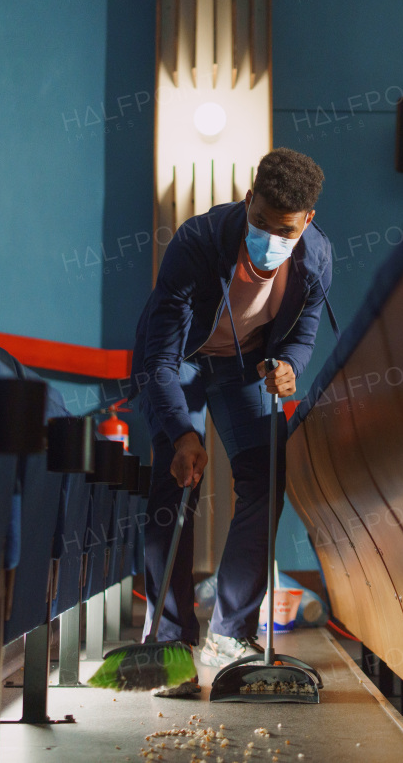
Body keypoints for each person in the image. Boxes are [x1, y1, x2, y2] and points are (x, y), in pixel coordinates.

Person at [126, 147, 337, 695]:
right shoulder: (197, 244)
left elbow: (303, 332)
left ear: (307, 221)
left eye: (284, 228)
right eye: (260, 221)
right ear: (248, 201)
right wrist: (182, 434)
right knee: (174, 484)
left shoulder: (316, 259)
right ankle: (171, 640)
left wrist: (290, 366)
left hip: (245, 366)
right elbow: (160, 360)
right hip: (183, 364)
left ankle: (230, 637)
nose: (269, 237)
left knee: (266, 480)